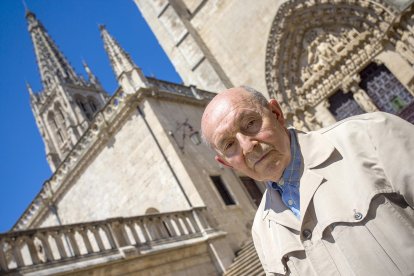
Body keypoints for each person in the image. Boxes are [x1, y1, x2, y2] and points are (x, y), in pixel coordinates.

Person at [201, 86, 414, 275]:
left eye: (250, 123)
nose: (248, 147)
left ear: (276, 114)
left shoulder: (370, 136)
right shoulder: (262, 230)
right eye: (229, 145)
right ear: (227, 163)